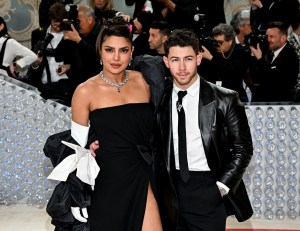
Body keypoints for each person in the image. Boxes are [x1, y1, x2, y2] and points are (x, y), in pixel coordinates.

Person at [154, 29, 253, 231]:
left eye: (188, 59)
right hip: (169, 191)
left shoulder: (225, 99)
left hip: (207, 189)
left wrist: (221, 187)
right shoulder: (159, 99)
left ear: (199, 58)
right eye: (175, 60)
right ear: (166, 62)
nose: (182, 67)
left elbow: (243, 148)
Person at [70, 17, 163, 230]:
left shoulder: (145, 81)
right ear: (99, 51)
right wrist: (77, 193)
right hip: (107, 179)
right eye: (109, 50)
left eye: (123, 50)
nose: (116, 57)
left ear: (131, 52)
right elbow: (76, 148)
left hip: (143, 173)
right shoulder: (85, 91)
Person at [27, 2, 76, 105]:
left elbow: (81, 62)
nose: (58, 25)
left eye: (61, 21)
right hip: (42, 87)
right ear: (50, 18)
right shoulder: (37, 34)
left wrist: (70, 66)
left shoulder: (72, 35)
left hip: (65, 88)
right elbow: (32, 64)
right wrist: (35, 64)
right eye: (55, 21)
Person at [249, 21, 299, 101]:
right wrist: (253, 57)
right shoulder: (269, 52)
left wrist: (260, 59)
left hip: (279, 105)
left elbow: (274, 81)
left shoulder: (289, 56)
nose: (268, 40)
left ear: (283, 38)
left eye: (272, 37)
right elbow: (256, 77)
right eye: (267, 36)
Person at [201, 23, 250, 102]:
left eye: (220, 42)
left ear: (230, 41)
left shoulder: (240, 51)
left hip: (234, 97)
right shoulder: (214, 51)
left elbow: (233, 72)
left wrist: (211, 58)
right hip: (215, 97)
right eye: (215, 42)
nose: (217, 45)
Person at [63, 4, 102, 85]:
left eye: (78, 21)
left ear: (90, 20)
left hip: (96, 84)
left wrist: (78, 40)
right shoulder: (79, 33)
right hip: (78, 82)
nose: (77, 24)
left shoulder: (102, 33)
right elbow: (60, 55)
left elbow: (99, 57)